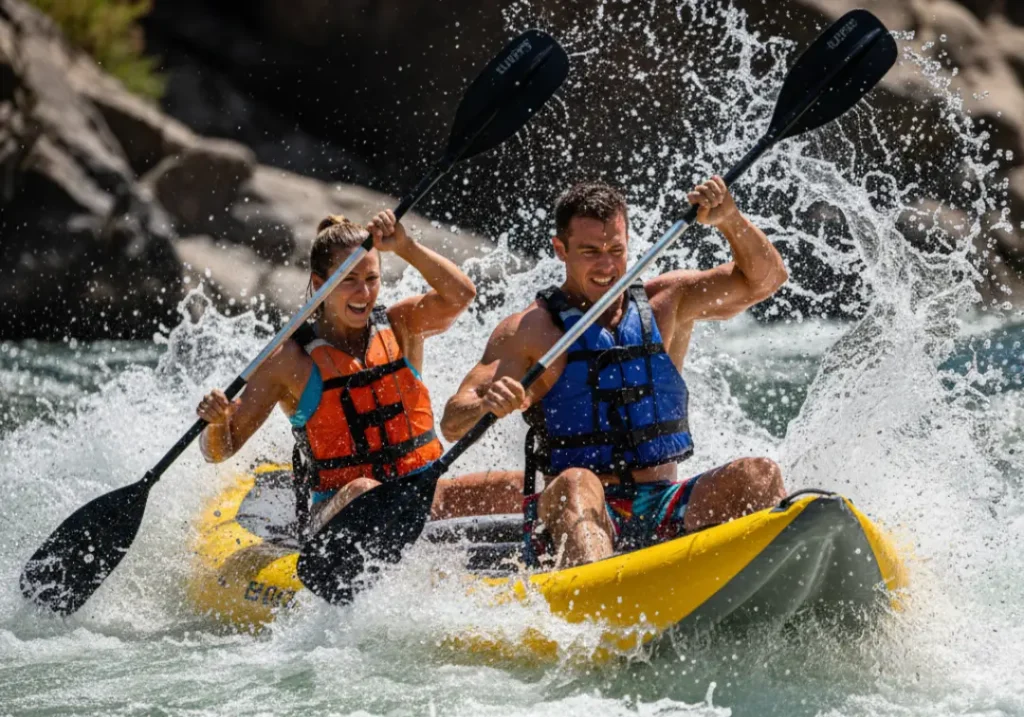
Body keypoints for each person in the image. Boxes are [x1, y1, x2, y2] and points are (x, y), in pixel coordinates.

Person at [440, 179, 788, 569]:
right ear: (561, 250)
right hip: (580, 511)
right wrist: (488, 404)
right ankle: (598, 599)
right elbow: (453, 422)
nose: (607, 266)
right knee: (575, 483)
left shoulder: (666, 303)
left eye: (616, 250)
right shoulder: (531, 331)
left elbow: (766, 281)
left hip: (661, 503)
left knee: (759, 475)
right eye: (590, 251)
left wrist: (729, 219)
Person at [197, 211, 521, 537]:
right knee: (366, 490)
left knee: (519, 486)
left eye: (371, 279)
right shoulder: (288, 361)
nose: (363, 294)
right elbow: (220, 450)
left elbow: (461, 295)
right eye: (349, 280)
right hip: (340, 511)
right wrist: (217, 422)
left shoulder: (402, 325)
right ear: (321, 284)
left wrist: (405, 246)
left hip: (421, 492)